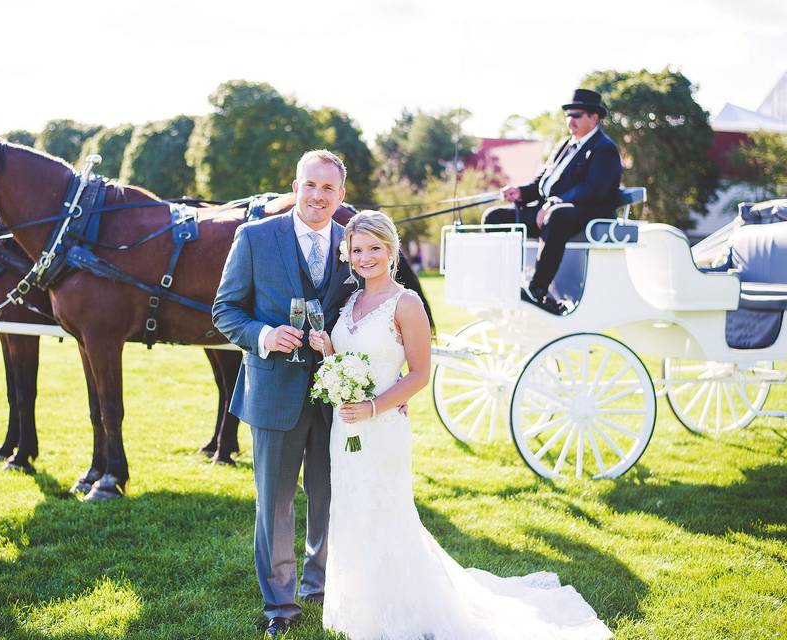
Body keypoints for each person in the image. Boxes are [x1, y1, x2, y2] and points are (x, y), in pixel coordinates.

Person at [307, 210, 613, 640]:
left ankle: (405, 613)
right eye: (357, 250)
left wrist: (374, 407)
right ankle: (360, 610)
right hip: (348, 429)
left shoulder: (406, 303)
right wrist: (326, 350)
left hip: (382, 427)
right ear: (348, 255)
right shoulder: (349, 303)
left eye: (374, 248)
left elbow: (418, 374)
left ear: (391, 250)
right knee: (351, 512)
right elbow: (345, 364)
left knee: (387, 514)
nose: (365, 257)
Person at [211, 149, 356, 638]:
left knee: (328, 495)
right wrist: (264, 336)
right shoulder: (254, 238)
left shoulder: (351, 244)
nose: (318, 196)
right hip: (273, 391)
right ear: (295, 187)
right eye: (309, 186)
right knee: (274, 502)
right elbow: (225, 310)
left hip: (334, 397)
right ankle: (281, 603)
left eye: (328, 189)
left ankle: (318, 584)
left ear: (341, 195)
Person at [482, 88, 623, 314]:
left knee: (558, 215)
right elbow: (542, 184)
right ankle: (506, 282)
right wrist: (521, 192)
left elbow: (596, 189)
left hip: (586, 213)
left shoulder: (604, 149)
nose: (570, 120)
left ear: (594, 117)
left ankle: (537, 289)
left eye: (576, 115)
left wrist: (554, 203)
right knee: (494, 217)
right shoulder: (564, 146)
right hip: (548, 212)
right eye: (568, 114)